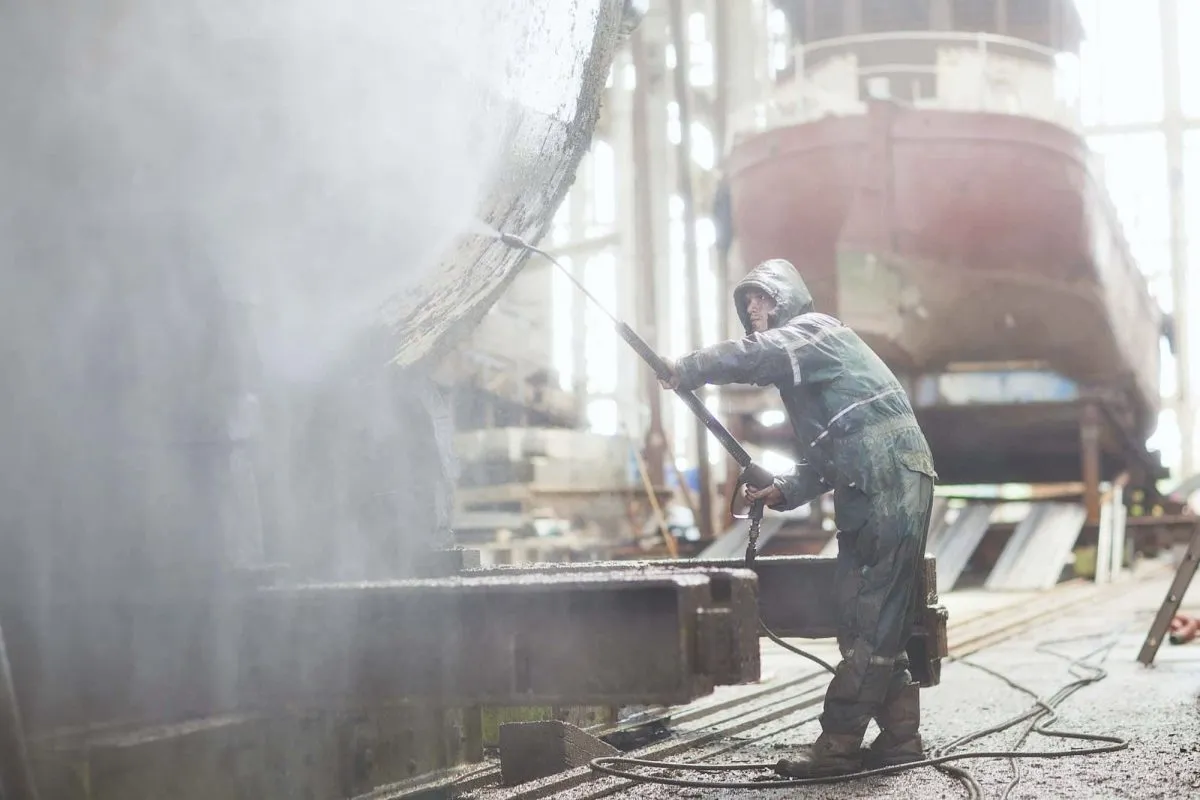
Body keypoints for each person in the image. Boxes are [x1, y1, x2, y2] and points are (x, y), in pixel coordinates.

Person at [658, 258, 936, 778]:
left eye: (762, 298)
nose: (754, 309)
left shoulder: (815, 331)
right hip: (868, 484)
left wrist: (689, 368)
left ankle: (838, 745)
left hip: (888, 478)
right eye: (747, 303)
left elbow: (756, 356)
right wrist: (786, 488)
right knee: (862, 619)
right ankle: (901, 738)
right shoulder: (806, 381)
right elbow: (824, 458)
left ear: (789, 299)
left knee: (871, 620)